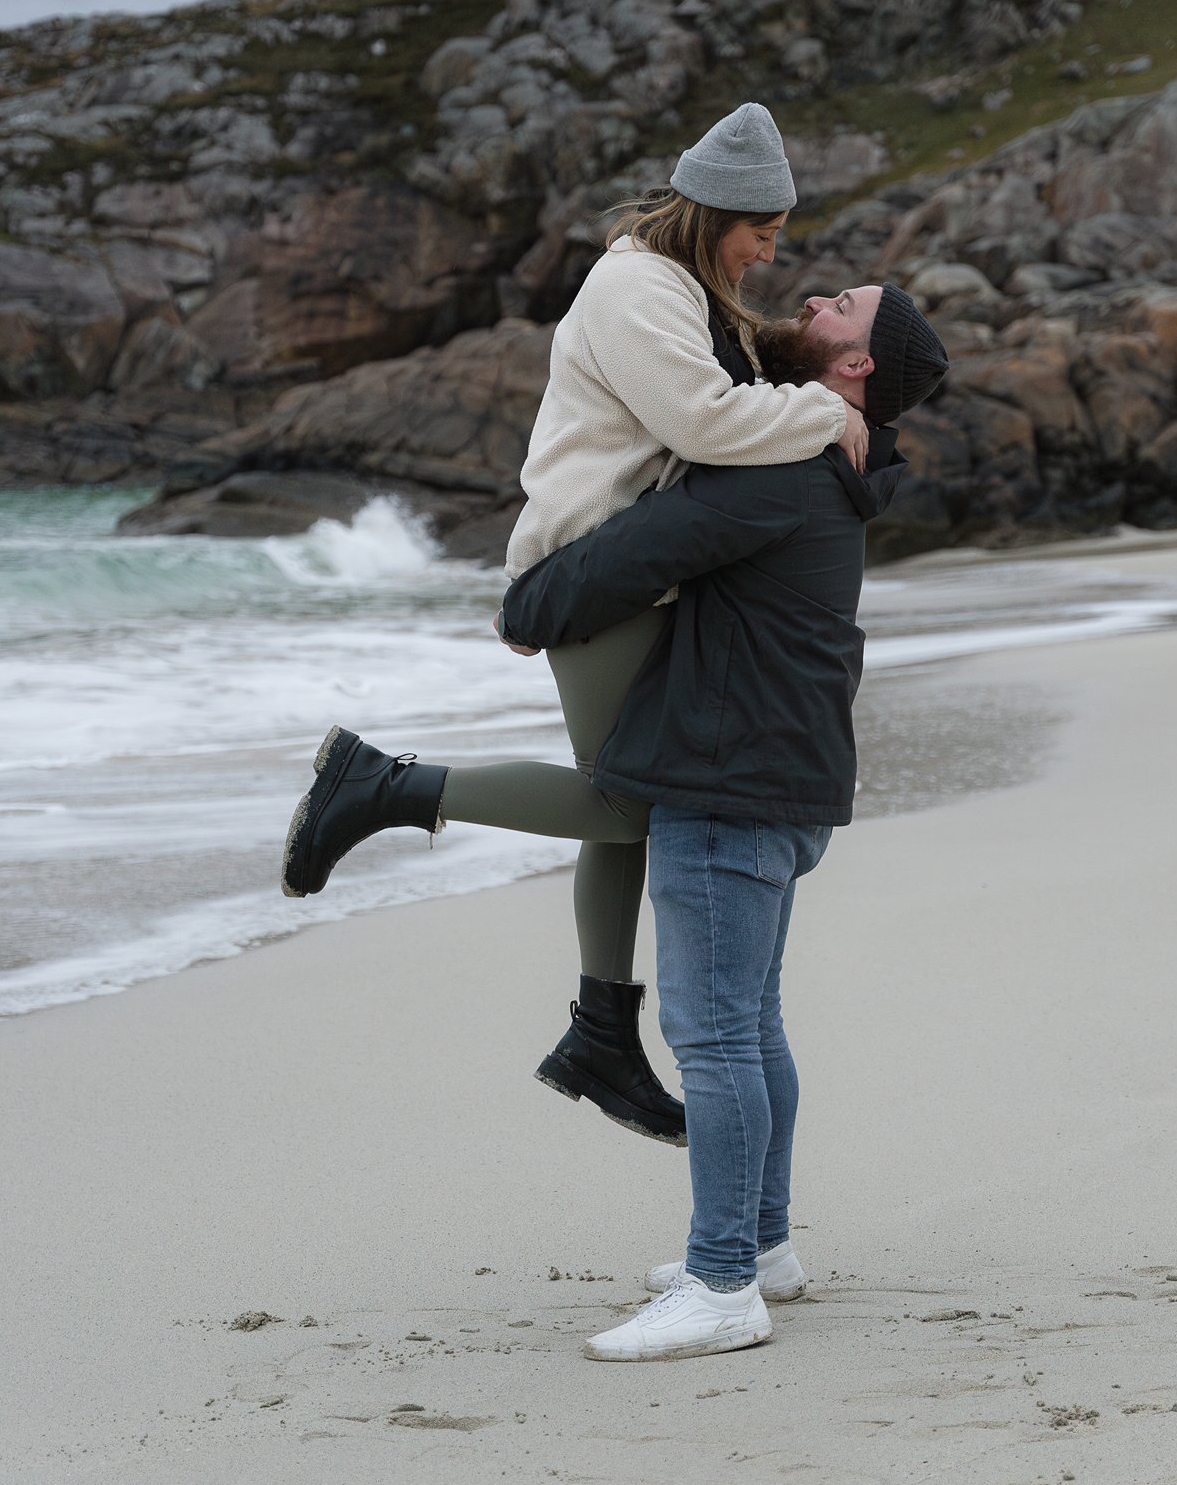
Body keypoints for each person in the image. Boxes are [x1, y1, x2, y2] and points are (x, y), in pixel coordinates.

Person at [283, 103, 867, 1148]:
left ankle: (601, 1026)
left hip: (626, 570)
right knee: (630, 802)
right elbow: (702, 422)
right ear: (716, 212)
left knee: (636, 799)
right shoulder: (638, 284)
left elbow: (725, 389)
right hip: (597, 571)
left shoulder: (682, 286)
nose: (772, 252)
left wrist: (823, 376)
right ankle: (381, 785)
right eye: (762, 232)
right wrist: (834, 412)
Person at [496, 282, 948, 1360]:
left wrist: (526, 608)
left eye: (841, 305)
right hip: (783, 782)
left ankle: (721, 1284)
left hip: (727, 780)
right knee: (752, 1023)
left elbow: (640, 550)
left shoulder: (784, 469)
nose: (813, 296)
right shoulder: (833, 469)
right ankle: (764, 1245)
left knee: (712, 1037)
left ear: (857, 370)